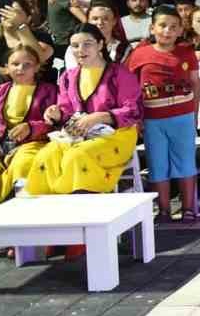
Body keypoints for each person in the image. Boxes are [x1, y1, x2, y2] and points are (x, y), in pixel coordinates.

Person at [31, 25, 143, 198]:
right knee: (46, 155)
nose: (80, 50)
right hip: (78, 134)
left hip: (117, 135)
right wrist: (56, 113)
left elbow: (134, 110)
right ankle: (52, 211)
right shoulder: (68, 77)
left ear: (100, 44)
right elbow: (66, 110)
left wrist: (99, 117)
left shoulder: (120, 74)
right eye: (75, 46)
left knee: (77, 156)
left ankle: (83, 211)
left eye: (87, 44)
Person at [124, 6, 200, 220]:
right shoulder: (139, 54)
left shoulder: (187, 52)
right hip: (153, 119)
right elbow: (129, 88)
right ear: (152, 28)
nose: (167, 31)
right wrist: (135, 118)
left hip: (183, 117)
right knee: (157, 163)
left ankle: (188, 209)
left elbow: (196, 83)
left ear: (180, 30)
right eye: (162, 26)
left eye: (173, 27)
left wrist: (194, 114)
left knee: (185, 161)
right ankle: (164, 210)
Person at [0, 45, 58, 204]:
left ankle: (19, 209)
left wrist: (32, 127)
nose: (20, 68)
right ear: (6, 67)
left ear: (37, 67)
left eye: (27, 65)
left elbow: (57, 122)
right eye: (15, 64)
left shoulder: (51, 91)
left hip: (34, 144)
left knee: (22, 165)